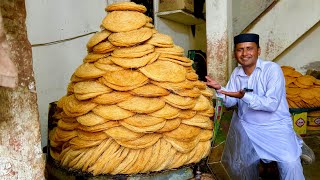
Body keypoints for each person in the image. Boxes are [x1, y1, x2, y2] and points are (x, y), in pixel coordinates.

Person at [206, 33, 314, 179]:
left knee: (290, 164)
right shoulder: (236, 73)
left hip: (275, 128)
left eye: (249, 48)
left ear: (259, 51)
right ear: (235, 53)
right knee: (237, 164)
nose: (245, 54)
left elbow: (271, 104)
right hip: (248, 129)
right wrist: (220, 89)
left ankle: (296, 144)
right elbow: (231, 102)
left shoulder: (272, 69)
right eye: (240, 50)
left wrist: (244, 96)